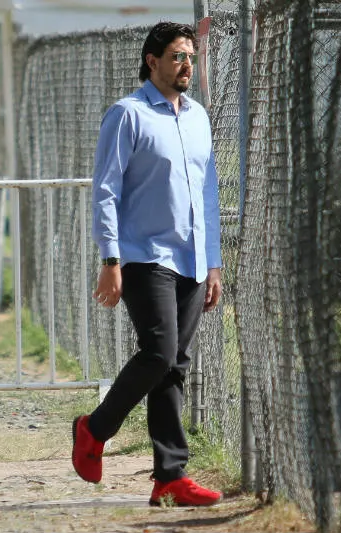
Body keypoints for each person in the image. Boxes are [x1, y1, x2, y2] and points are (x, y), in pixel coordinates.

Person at [71, 22, 223, 507]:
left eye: (191, 58)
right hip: (144, 256)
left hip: (193, 260)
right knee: (159, 352)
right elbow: (107, 190)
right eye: (177, 57)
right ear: (151, 60)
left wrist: (214, 263)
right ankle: (94, 429)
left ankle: (170, 477)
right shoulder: (128, 114)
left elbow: (209, 194)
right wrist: (110, 258)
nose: (186, 66)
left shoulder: (198, 116)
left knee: (174, 365)